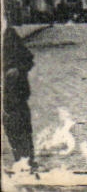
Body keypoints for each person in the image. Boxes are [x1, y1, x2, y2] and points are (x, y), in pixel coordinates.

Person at [3, 19, 36, 174]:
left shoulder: (7, 34)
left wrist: (16, 69)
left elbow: (27, 59)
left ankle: (25, 162)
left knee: (19, 127)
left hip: (14, 92)